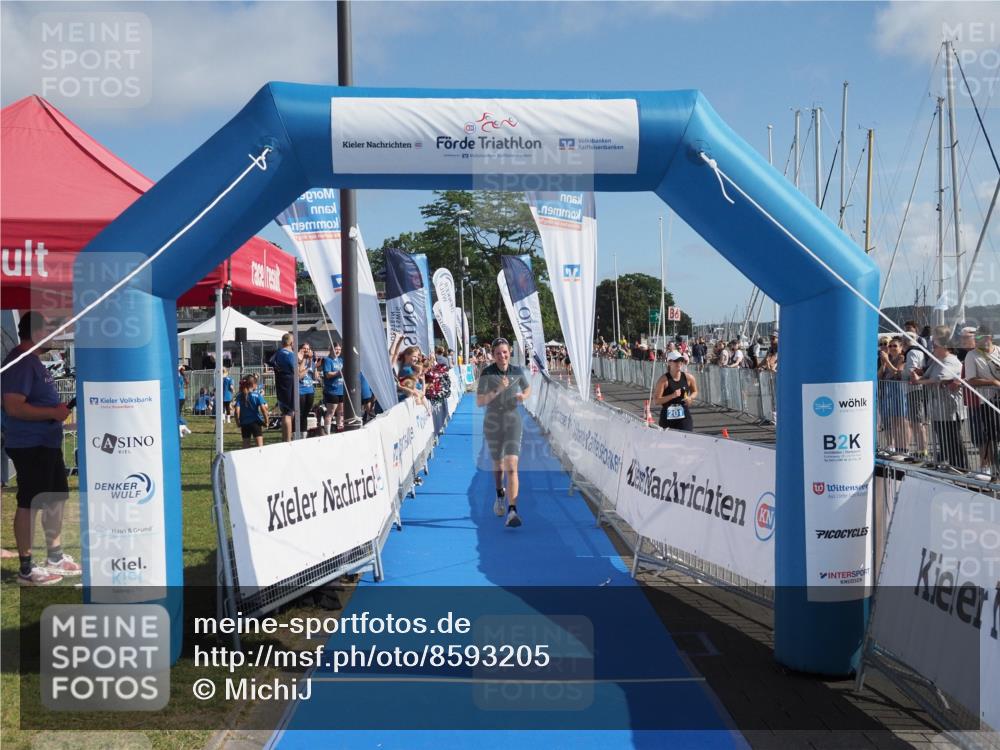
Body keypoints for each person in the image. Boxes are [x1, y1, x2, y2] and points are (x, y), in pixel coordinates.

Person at [1, 312, 81, 585]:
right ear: (36, 334)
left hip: (46, 443)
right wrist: (52, 412)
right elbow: (13, 406)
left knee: (55, 498)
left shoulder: (33, 362)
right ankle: (26, 568)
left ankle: (55, 556)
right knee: (30, 502)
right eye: (48, 331)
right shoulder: (21, 363)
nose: (53, 337)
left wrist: (56, 413)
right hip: (30, 444)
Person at [477, 338, 531, 528]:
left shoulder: (517, 371)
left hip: (512, 420)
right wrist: (498, 390)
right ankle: (500, 492)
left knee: (512, 464)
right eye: (498, 353)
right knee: (498, 465)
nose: (502, 356)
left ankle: (512, 510)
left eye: (505, 352)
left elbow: (527, 388)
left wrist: (522, 396)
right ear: (493, 355)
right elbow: (480, 401)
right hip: (493, 422)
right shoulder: (487, 373)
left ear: (510, 353)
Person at [910, 334, 966, 470]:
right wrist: (918, 374)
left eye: (935, 345)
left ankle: (961, 467)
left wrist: (919, 381)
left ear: (945, 346)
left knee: (953, 439)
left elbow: (939, 379)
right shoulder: (937, 360)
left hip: (951, 408)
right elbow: (928, 375)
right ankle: (950, 464)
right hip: (938, 408)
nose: (932, 348)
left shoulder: (950, 360)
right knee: (944, 439)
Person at [964, 327, 1000, 478]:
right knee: (989, 436)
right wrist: (992, 381)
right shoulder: (971, 355)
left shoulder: (998, 350)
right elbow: (971, 380)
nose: (978, 340)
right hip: (987, 401)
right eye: (976, 337)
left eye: (981, 337)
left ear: (989, 337)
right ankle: (987, 468)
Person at [652, 351, 698, 431]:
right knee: (668, 442)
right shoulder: (663, 380)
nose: (679, 363)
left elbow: (695, 392)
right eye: (676, 361)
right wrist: (672, 396)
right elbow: (656, 401)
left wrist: (690, 398)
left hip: (684, 416)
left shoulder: (689, 378)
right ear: (669, 362)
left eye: (681, 361)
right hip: (667, 417)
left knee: (686, 439)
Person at [270, 333, 297, 442]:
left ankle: (287, 438)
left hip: (281, 384)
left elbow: (271, 362)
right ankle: (287, 440)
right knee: (287, 413)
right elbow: (296, 371)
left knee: (288, 412)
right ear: (291, 342)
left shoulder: (278, 353)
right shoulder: (290, 354)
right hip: (288, 385)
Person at [234, 376, 268, 448]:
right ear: (253, 385)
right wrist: (266, 421)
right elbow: (264, 409)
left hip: (244, 423)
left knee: (246, 446)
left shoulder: (239, 396)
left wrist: (238, 422)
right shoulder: (257, 395)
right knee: (260, 447)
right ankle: (260, 458)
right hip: (255, 423)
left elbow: (236, 411)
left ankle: (246, 459)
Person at [322, 342, 345, 433]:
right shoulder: (328, 360)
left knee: (341, 412)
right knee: (331, 413)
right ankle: (327, 432)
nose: (338, 351)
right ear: (331, 349)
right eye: (336, 349)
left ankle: (340, 429)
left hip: (341, 390)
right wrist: (339, 373)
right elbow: (327, 374)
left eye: (339, 349)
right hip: (332, 390)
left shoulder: (340, 360)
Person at [298, 345, 316, 435]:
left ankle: (304, 434)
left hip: (310, 390)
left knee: (305, 414)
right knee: (300, 414)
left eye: (308, 349)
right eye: (304, 348)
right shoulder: (298, 361)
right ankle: (297, 433)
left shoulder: (311, 361)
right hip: (301, 391)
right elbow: (299, 376)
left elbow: (315, 377)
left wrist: (314, 365)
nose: (306, 350)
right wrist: (306, 365)